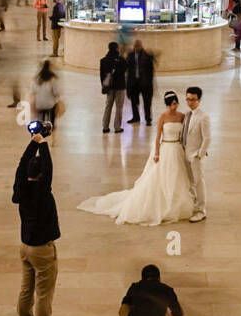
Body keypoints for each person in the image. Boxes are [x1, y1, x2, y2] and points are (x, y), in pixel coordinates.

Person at [80, 92, 195, 225]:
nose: (174, 106)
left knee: (177, 175)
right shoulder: (163, 117)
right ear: (167, 105)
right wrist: (157, 153)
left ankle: (176, 201)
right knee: (161, 176)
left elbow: (185, 135)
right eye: (171, 104)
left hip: (177, 149)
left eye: (176, 103)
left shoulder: (182, 116)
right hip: (166, 148)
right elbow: (158, 137)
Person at [13, 122, 63, 316]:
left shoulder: (21, 190)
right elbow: (49, 168)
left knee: (26, 288)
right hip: (43, 248)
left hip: (25, 246)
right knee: (44, 293)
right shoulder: (42, 191)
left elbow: (21, 167)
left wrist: (32, 144)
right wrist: (43, 146)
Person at [182, 86, 211, 223]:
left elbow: (207, 137)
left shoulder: (203, 117)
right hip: (185, 153)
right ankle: (194, 205)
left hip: (195, 155)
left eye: (193, 100)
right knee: (191, 182)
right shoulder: (187, 115)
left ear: (199, 100)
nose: (190, 102)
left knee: (199, 182)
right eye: (188, 99)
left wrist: (200, 154)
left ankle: (201, 210)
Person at [100, 41, 128, 133]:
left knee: (108, 106)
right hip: (120, 86)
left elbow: (102, 75)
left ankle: (105, 126)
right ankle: (117, 127)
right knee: (119, 107)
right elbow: (125, 69)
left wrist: (104, 85)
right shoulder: (121, 60)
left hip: (109, 87)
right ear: (117, 49)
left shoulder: (104, 60)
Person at [126, 39, 156, 125]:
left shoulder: (147, 56)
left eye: (138, 46)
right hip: (134, 82)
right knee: (134, 102)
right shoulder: (130, 56)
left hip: (145, 83)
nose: (137, 48)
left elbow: (151, 72)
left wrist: (150, 84)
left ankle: (148, 119)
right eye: (135, 46)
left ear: (141, 46)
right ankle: (136, 117)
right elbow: (128, 71)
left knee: (147, 102)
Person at [30, 60, 61, 129]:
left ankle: (41, 133)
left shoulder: (35, 79)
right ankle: (53, 136)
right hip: (50, 105)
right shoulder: (53, 79)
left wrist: (33, 106)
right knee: (52, 119)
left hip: (39, 105)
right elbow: (56, 93)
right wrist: (58, 103)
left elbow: (32, 94)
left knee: (39, 121)